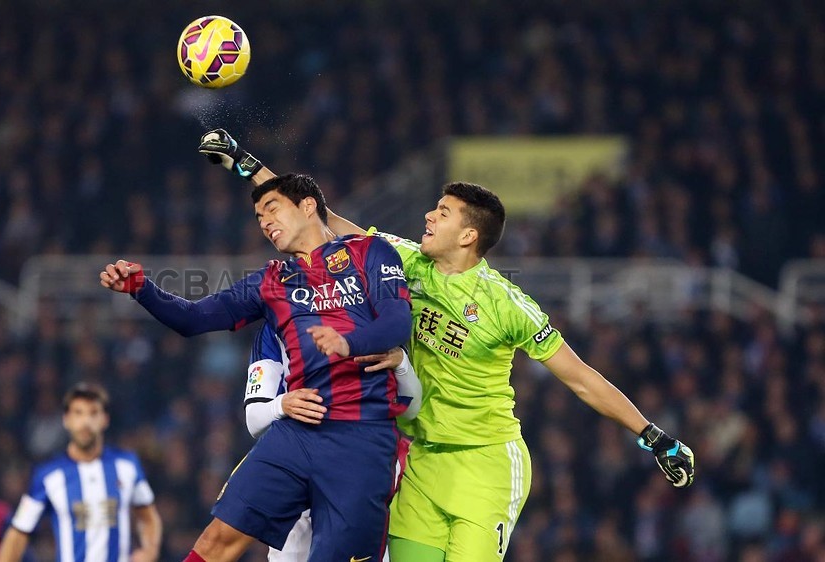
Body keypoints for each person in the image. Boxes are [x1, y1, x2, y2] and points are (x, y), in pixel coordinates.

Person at [198, 129, 697, 561]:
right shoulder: (406, 261)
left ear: (469, 235)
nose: (429, 217)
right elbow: (319, 220)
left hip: (484, 462)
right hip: (420, 461)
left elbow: (580, 377)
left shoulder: (508, 305)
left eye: (443, 212)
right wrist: (248, 166)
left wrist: (652, 436)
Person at [99, 172, 413, 562]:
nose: (264, 222)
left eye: (271, 208)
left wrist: (348, 343)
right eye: (258, 216)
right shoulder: (271, 280)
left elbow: (398, 320)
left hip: (362, 437)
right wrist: (143, 290)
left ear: (308, 206)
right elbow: (195, 318)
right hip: (298, 435)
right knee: (217, 540)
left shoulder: (370, 252)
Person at [244, 322, 420, 561]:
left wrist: (402, 364)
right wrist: (282, 404)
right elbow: (254, 420)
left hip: (359, 477)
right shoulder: (275, 327)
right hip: (298, 480)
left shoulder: (379, 318)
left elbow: (411, 408)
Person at [0, 383, 162, 562]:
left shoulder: (127, 465)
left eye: (93, 413)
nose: (86, 422)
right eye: (78, 413)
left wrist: (150, 550)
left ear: (105, 419)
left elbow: (148, 515)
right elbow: (18, 532)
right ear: (66, 419)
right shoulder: (48, 475)